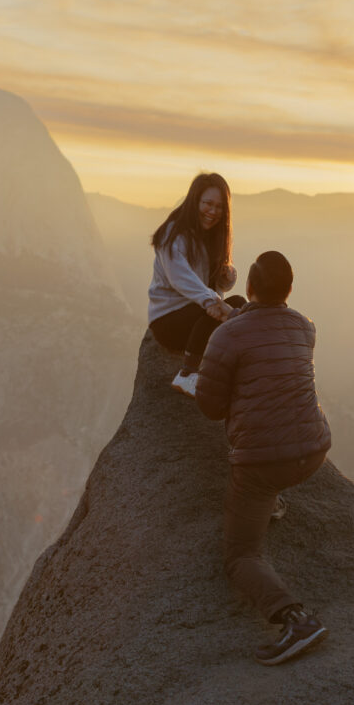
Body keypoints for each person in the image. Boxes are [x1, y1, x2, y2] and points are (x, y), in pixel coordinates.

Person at [195, 251, 332, 665]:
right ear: (289, 289)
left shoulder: (228, 335)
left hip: (262, 466)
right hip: (313, 453)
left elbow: (210, 406)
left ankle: (295, 620)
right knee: (267, 487)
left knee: (240, 556)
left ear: (248, 288)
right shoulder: (305, 327)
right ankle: (271, 502)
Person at [148, 172, 245, 397]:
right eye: (208, 204)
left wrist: (226, 271)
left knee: (239, 302)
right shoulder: (172, 235)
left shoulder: (211, 236)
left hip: (198, 315)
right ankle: (187, 375)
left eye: (219, 207)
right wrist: (212, 301)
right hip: (169, 320)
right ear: (195, 202)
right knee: (211, 312)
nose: (213, 212)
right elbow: (180, 278)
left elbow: (225, 284)